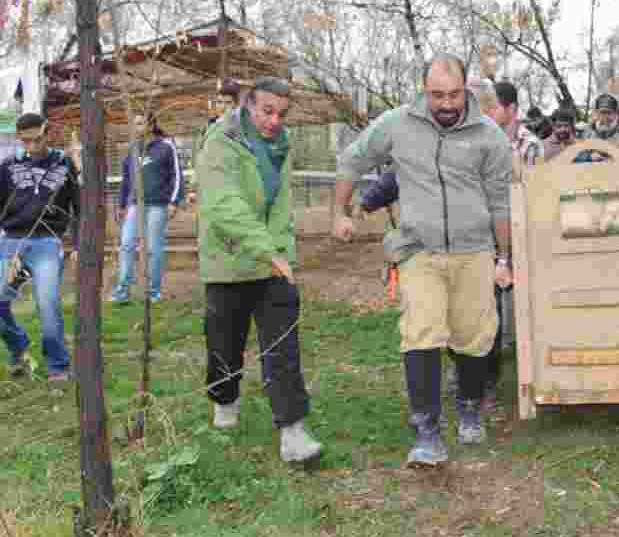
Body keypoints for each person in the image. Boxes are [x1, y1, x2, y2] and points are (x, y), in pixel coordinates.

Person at [333, 54, 513, 467]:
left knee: (475, 336)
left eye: (453, 95)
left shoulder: (489, 137)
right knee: (421, 332)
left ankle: (469, 405)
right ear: (423, 91)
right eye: (436, 95)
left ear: (465, 90)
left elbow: (502, 203)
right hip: (418, 248)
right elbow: (351, 159)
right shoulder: (397, 124)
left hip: (475, 250)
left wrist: (505, 257)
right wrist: (340, 212)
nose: (446, 104)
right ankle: (427, 432)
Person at [197, 76, 322, 465]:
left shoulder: (282, 146)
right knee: (224, 344)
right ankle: (225, 401)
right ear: (248, 105)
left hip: (274, 264)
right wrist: (265, 250)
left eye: (282, 114)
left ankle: (293, 430)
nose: (274, 121)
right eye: (267, 111)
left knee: (282, 343)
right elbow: (224, 206)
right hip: (229, 262)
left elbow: (280, 206)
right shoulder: (221, 141)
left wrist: (280, 252)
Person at [0, 113, 79, 384]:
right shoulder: (8, 166)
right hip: (11, 243)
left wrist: (78, 243)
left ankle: (58, 366)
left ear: (47, 134)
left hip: (47, 243)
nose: (31, 146)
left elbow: (78, 206)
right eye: (25, 141)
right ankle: (18, 346)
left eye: (36, 139)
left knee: (47, 305)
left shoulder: (64, 164)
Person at [110, 113, 184, 303]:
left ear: (151, 125)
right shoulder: (133, 150)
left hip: (158, 205)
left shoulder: (166, 147)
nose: (136, 127)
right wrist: (121, 205)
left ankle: (153, 292)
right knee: (126, 245)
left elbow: (177, 176)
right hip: (135, 205)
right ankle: (123, 291)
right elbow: (127, 179)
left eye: (140, 123)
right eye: (134, 124)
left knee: (153, 248)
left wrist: (174, 202)